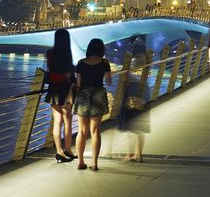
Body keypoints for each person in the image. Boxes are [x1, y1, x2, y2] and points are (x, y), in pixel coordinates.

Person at [72, 38, 112, 171]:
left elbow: (78, 83)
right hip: (98, 95)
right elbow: (109, 81)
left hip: (83, 95)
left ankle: (80, 162)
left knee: (82, 131)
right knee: (95, 131)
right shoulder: (104, 63)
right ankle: (94, 163)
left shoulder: (80, 63)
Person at [44, 28, 76, 163]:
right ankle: (68, 149)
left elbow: (49, 69)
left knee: (57, 122)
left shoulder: (50, 53)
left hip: (54, 89)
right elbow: (70, 75)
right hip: (66, 89)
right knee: (68, 121)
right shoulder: (67, 55)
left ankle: (59, 151)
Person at [119, 54, 151, 161]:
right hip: (144, 95)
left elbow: (126, 78)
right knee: (140, 128)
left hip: (132, 97)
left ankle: (130, 154)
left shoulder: (131, 62)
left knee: (131, 128)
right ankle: (138, 154)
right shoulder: (147, 61)